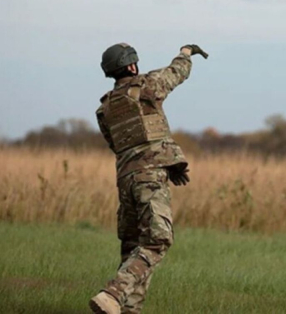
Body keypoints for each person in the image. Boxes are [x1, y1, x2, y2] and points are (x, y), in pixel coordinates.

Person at [89, 43, 208, 314]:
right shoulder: (146, 86)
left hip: (126, 181)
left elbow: (120, 145)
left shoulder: (104, 109)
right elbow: (176, 73)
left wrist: (169, 162)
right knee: (158, 239)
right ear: (132, 66)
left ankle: (126, 309)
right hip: (149, 179)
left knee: (133, 248)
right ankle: (113, 293)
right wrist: (186, 53)